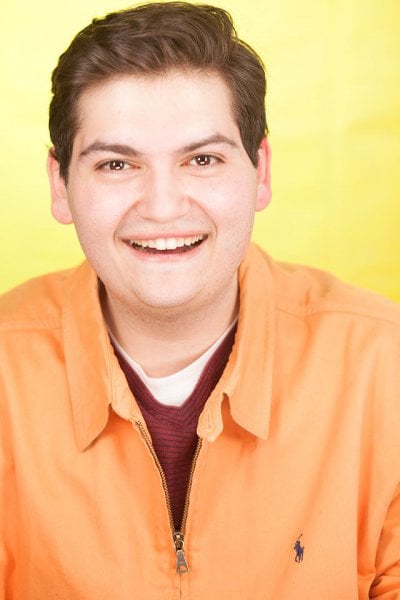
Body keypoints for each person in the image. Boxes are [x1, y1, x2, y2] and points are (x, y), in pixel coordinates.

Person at [0, 2, 399, 598]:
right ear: (60, 185)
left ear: (260, 170)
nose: (163, 208)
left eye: (203, 159)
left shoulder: (385, 364)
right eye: (116, 164)